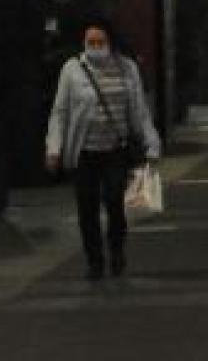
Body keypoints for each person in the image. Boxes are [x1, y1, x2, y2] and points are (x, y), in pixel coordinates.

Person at [45, 20, 161, 280]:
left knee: (114, 202)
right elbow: (60, 112)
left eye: (100, 42)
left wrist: (151, 144)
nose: (95, 47)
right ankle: (94, 261)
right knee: (86, 209)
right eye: (91, 43)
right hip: (84, 151)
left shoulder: (126, 68)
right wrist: (54, 147)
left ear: (111, 42)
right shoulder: (73, 69)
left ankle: (117, 251)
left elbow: (140, 111)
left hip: (116, 150)